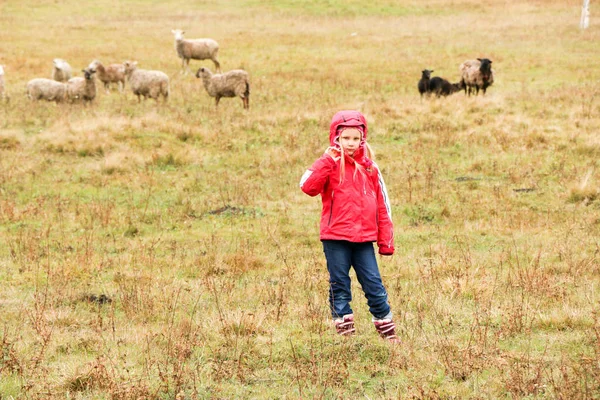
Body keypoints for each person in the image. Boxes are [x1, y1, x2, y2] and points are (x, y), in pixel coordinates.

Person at [299, 110, 399, 342]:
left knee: (374, 284)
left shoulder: (370, 168)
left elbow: (383, 205)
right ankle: (345, 335)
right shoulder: (329, 164)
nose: (351, 144)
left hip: (364, 239)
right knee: (339, 283)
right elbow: (307, 186)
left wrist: (386, 241)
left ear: (362, 139)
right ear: (336, 138)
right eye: (345, 139)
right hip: (335, 238)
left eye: (355, 138)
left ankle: (388, 333)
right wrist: (327, 160)